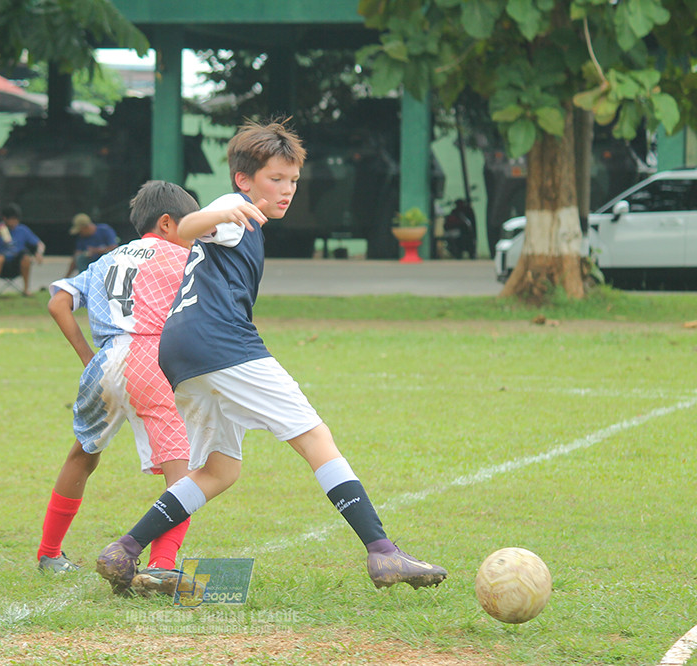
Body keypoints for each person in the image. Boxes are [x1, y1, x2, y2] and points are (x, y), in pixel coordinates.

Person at [96, 120, 447, 594]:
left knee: (221, 470)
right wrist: (223, 214)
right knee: (315, 437)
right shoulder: (232, 207)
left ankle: (125, 550)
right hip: (219, 343)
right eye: (274, 179)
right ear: (244, 179)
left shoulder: (247, 221)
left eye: (293, 181)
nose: (286, 190)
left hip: (180, 350)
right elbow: (187, 228)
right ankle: (383, 554)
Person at [39, 181, 198, 596]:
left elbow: (58, 301)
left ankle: (50, 554)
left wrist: (88, 357)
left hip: (106, 360)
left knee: (83, 453)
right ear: (167, 223)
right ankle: (162, 566)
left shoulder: (108, 258)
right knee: (182, 469)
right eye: (192, 226)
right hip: (152, 359)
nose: (196, 235)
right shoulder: (182, 257)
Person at [0, 202, 44, 296]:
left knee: (26, 257)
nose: (15, 222)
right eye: (12, 219)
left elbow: (40, 244)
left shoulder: (22, 230)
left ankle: (26, 289)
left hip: (16, 265)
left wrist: (39, 253)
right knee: (0, 258)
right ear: (5, 219)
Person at [65, 212, 117, 277]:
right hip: (90, 264)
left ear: (85, 227)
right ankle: (84, 278)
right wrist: (66, 276)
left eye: (80, 230)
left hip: (105, 263)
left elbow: (114, 248)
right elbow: (76, 256)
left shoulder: (105, 230)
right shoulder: (82, 238)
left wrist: (96, 251)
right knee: (80, 258)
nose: (80, 233)